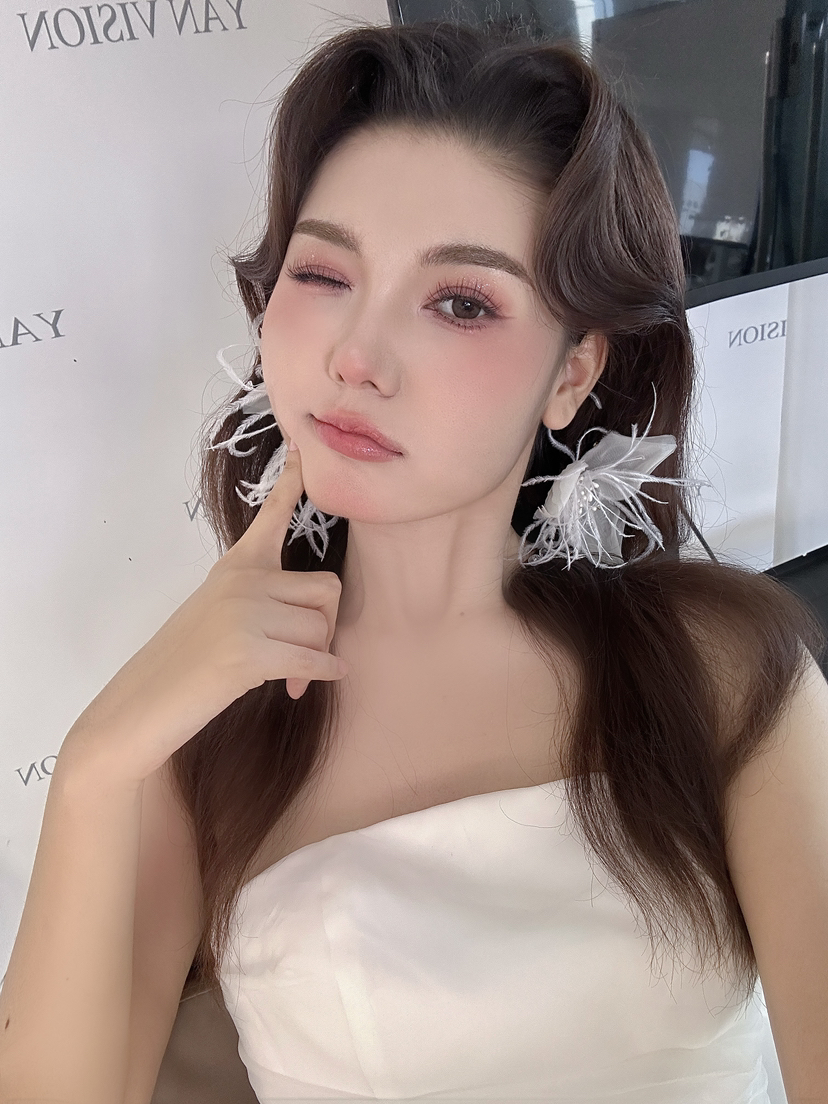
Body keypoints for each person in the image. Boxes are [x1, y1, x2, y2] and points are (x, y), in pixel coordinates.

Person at [1, 16, 826, 1104]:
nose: (357, 356)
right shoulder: (205, 736)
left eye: (460, 302)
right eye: (323, 272)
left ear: (573, 372)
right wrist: (97, 763)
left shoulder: (720, 667)